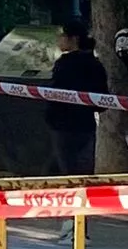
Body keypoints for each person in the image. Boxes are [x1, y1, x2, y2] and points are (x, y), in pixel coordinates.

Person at [45, 24, 110, 176]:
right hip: (86, 125)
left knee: (68, 173)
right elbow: (101, 101)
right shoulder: (95, 64)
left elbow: (54, 94)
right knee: (81, 170)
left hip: (63, 127)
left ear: (73, 39)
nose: (59, 40)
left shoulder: (64, 64)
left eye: (62, 36)